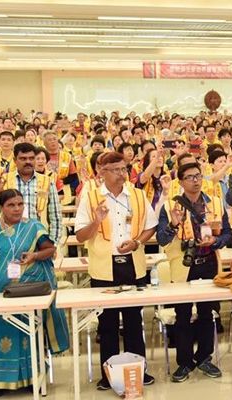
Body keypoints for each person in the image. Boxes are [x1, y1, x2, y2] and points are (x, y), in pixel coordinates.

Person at [0, 189, 70, 397]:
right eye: (11, 205)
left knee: (29, 333)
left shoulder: (33, 226)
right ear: (2, 207)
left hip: (27, 290)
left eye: (20, 204)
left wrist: (34, 256)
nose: (17, 209)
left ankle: (32, 378)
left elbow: (50, 250)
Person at [74, 151, 158, 390]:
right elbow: (80, 236)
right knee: (107, 324)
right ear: (102, 172)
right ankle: (108, 374)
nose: (122, 174)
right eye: (116, 170)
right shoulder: (91, 198)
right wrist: (96, 221)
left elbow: (151, 226)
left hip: (133, 265)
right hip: (103, 268)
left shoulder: (138, 195)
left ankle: (138, 371)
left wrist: (137, 242)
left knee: (134, 321)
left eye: (124, 169)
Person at [157, 162, 232, 383]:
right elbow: (161, 239)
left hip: (208, 263)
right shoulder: (170, 206)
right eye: (190, 177)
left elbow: (228, 233)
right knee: (182, 315)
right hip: (183, 266)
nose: (195, 180)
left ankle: (204, 358)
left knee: (207, 313)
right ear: (180, 182)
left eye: (198, 176)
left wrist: (215, 241)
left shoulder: (215, 202)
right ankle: (184, 362)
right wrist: (173, 224)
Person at [0, 143, 63, 245]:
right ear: (15, 161)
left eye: (31, 158)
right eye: (23, 159)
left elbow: (55, 216)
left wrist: (53, 244)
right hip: (8, 240)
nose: (28, 162)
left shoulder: (47, 182)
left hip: (38, 239)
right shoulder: (3, 180)